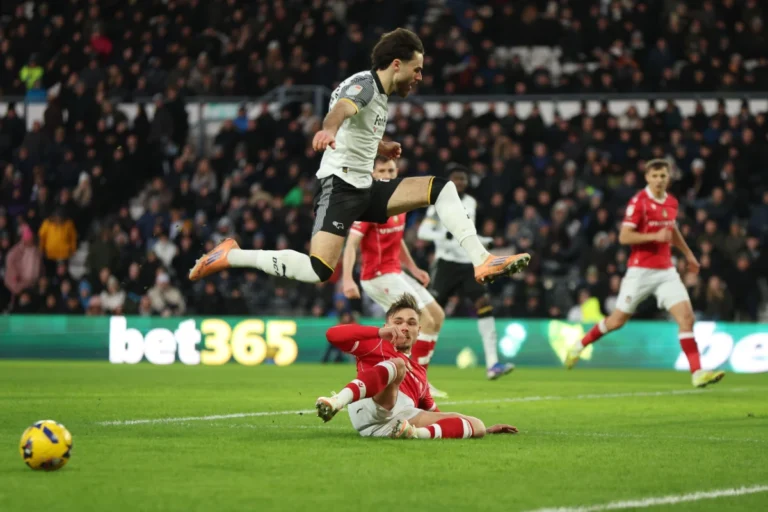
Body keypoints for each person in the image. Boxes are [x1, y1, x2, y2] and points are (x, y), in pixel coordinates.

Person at [189, 28, 530, 286]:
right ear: (397, 64)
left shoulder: (377, 93)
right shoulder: (365, 86)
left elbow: (356, 121)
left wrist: (380, 146)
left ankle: (482, 260)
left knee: (440, 188)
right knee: (318, 270)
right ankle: (230, 255)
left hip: (364, 186)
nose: (420, 77)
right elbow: (341, 110)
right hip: (339, 187)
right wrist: (328, 131)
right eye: (417, 69)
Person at [565, 159, 725, 388]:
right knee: (617, 320)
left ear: (668, 177)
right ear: (647, 178)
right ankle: (579, 345)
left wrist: (688, 254)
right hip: (640, 271)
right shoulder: (638, 202)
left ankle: (697, 372)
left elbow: (672, 229)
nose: (659, 180)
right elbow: (624, 236)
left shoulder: (671, 201)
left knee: (687, 318)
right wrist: (653, 237)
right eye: (655, 175)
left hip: (666, 271)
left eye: (663, 175)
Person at [315, 293, 518, 439]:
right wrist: (378, 332)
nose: (404, 327)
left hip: (392, 424)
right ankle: (336, 402)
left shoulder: (420, 375)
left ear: (418, 330)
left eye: (411, 323)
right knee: (398, 365)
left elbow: (437, 415)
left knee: (477, 425)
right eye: (398, 321)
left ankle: (414, 434)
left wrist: (483, 428)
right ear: (387, 325)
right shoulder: (375, 343)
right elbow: (332, 335)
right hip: (368, 407)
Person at [342, 156, 448, 397]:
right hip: (377, 277)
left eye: (391, 170)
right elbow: (351, 245)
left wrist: (413, 268)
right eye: (382, 170)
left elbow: (398, 241)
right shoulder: (368, 207)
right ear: (372, 173)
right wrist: (347, 279)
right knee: (423, 322)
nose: (387, 175)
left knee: (437, 316)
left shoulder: (397, 204)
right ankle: (414, 382)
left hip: (395, 272)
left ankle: (418, 379)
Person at [417, 164, 514, 380]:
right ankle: (415, 366)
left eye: (463, 179)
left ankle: (492, 364)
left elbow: (468, 231)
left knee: (484, 305)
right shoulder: (438, 202)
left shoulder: (471, 202)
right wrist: (444, 238)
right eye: (456, 179)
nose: (460, 182)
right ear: (449, 182)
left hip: (468, 263)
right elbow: (423, 232)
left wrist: (483, 241)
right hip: (446, 264)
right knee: (431, 314)